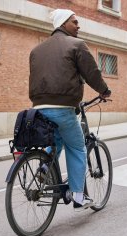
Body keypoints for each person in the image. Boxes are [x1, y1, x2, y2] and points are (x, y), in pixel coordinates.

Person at [28, 9, 111, 210]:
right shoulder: (76, 45)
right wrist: (104, 91)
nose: (78, 25)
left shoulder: (36, 50)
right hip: (63, 107)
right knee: (77, 147)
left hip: (38, 107)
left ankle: (45, 167)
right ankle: (78, 195)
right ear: (63, 23)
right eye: (75, 22)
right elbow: (91, 72)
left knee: (56, 139)